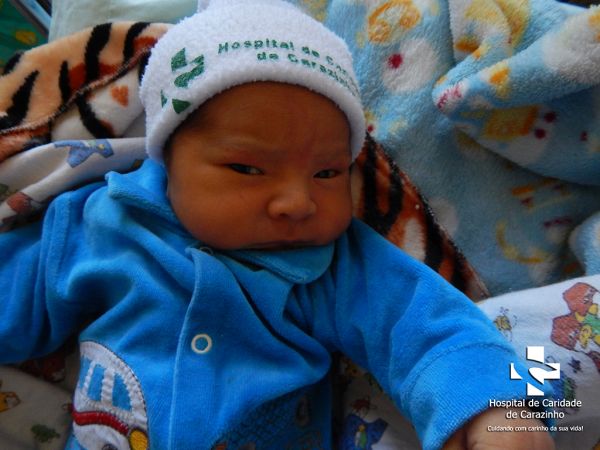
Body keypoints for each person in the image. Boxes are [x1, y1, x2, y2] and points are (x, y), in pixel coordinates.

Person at [0, 0, 555, 449]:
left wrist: (489, 407)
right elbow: (14, 297)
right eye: (247, 168)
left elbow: (424, 325)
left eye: (327, 172)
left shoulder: (333, 264)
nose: (296, 202)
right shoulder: (100, 222)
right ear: (167, 158)